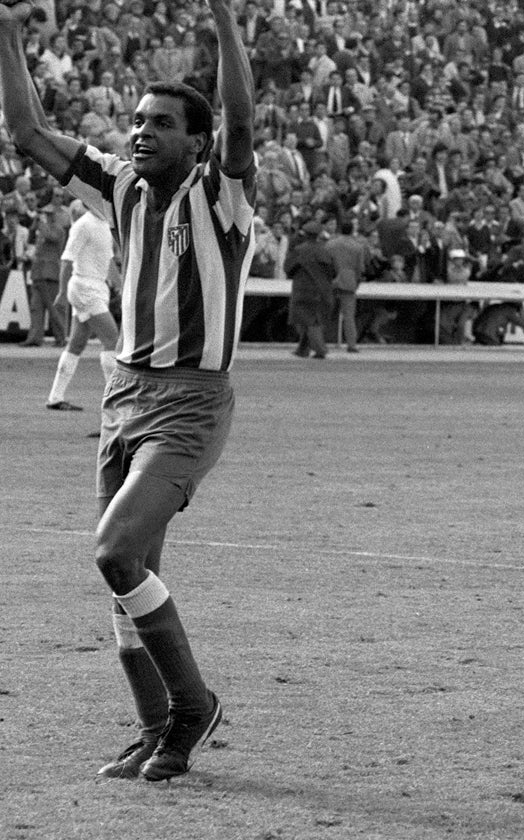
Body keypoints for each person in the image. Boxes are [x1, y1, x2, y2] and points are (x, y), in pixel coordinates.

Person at [0, 0, 254, 782]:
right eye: (137, 121)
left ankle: (192, 706)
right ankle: (155, 731)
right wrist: (6, 33)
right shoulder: (121, 189)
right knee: (130, 569)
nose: (140, 131)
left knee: (114, 552)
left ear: (197, 141)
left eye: (161, 124)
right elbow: (30, 135)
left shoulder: (222, 194)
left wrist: (221, 17)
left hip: (190, 402)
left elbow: (241, 117)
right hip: (126, 396)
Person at [45, 200, 118, 411]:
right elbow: (67, 259)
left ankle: (55, 398)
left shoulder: (104, 224)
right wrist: (60, 291)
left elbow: (109, 260)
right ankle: (115, 402)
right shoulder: (83, 225)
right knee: (112, 340)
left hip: (95, 287)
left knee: (76, 344)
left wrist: (121, 285)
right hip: (86, 287)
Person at [21, 196, 68, 347]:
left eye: (48, 214)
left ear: (54, 216)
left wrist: (41, 224)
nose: (45, 217)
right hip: (38, 273)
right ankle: (34, 338)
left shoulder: (58, 230)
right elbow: (30, 240)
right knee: (36, 307)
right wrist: (34, 226)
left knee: (54, 308)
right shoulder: (41, 229)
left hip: (50, 273)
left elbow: (51, 237)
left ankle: (61, 337)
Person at [285, 220, 334, 359]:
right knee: (313, 320)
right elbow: (333, 272)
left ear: (305, 234)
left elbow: (287, 268)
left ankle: (320, 349)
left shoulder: (299, 250)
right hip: (321, 290)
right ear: (318, 235)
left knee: (307, 321)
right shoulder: (324, 251)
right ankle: (303, 348)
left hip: (302, 289)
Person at [325, 219, 370, 353]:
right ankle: (352, 344)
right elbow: (360, 268)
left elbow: (326, 264)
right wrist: (356, 281)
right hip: (349, 282)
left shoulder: (330, 244)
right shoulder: (357, 246)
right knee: (349, 316)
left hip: (332, 281)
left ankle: (318, 341)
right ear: (352, 230)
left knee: (325, 313)